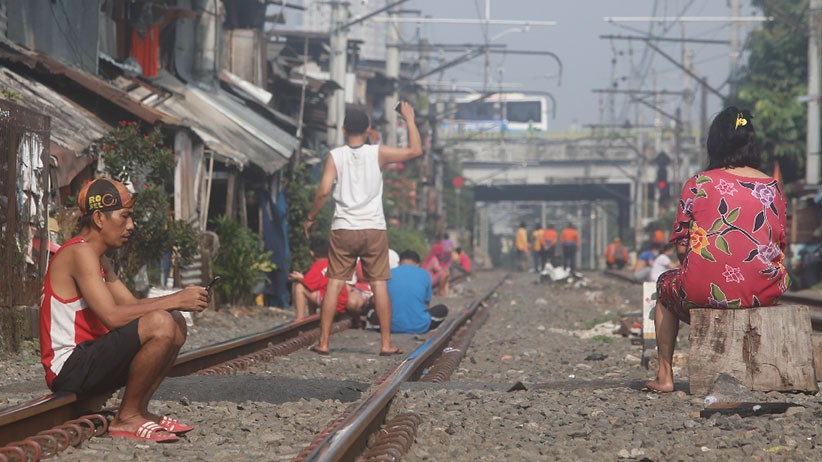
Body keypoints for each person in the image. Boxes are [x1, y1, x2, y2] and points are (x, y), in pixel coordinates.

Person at [40, 178, 208, 443]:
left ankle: (139, 411)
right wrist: (176, 298)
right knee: (161, 321)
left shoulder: (99, 259)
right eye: (125, 216)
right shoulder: (78, 253)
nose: (131, 225)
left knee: (174, 321)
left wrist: (176, 304)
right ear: (99, 218)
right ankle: (126, 417)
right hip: (68, 367)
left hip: (91, 359)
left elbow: (131, 307)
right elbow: (114, 317)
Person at [645, 107, 790, 394]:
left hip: (705, 290)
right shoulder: (773, 187)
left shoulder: (698, 183)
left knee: (664, 286)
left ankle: (664, 376)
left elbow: (683, 248)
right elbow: (779, 243)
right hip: (763, 290)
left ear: (715, 143)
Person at [304, 102, 422, 356]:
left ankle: (324, 342)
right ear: (368, 130)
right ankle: (386, 344)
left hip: (343, 228)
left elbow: (323, 191)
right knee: (378, 284)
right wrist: (409, 120)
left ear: (344, 130)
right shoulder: (378, 153)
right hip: (373, 229)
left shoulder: (335, 156)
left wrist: (311, 218)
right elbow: (415, 150)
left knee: (335, 282)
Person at [366, 250, 449, 334]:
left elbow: (378, 302)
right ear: (418, 264)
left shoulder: (388, 273)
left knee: (371, 311)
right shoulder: (425, 274)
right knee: (442, 309)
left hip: (389, 327)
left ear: (399, 263)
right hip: (419, 327)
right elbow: (426, 305)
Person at [289, 239, 371, 321]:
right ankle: (312, 316)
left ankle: (300, 318)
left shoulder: (318, 266)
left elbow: (309, 283)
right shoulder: (335, 264)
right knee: (313, 289)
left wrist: (300, 278)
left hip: (330, 301)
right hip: (342, 302)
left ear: (312, 253)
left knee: (300, 287)